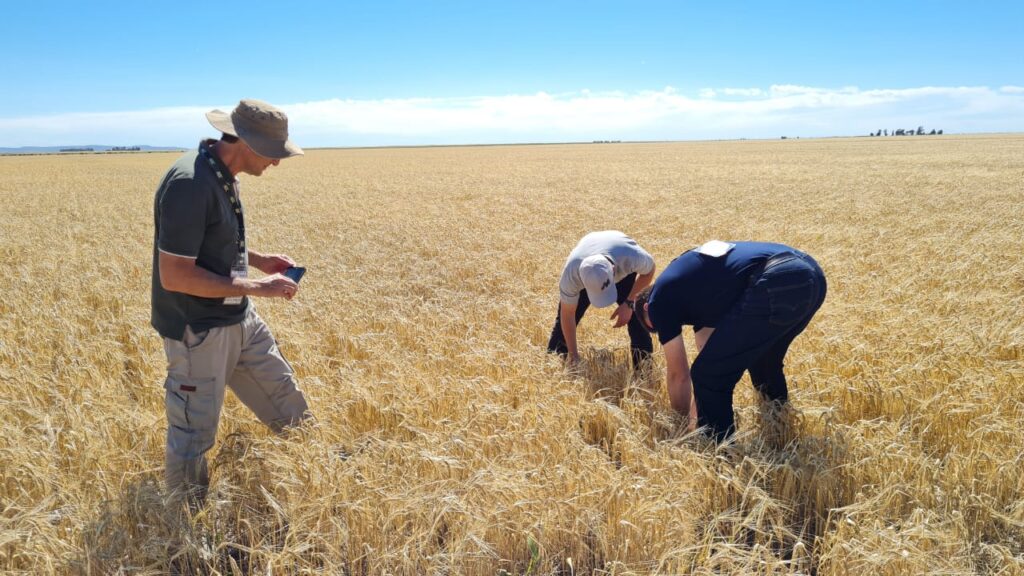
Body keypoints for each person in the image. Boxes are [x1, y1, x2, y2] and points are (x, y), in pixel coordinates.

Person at [151, 99, 312, 503]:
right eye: (274, 154)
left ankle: (318, 473)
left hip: (239, 318)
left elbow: (212, 241)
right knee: (193, 434)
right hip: (200, 331)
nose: (276, 163)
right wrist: (259, 287)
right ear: (247, 143)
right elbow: (176, 275)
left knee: (286, 399)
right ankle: (184, 532)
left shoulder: (222, 172)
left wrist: (260, 260)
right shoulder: (190, 183)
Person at [632, 241, 826, 441]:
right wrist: (695, 419)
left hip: (777, 280)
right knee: (763, 362)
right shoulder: (692, 291)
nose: (666, 326)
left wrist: (681, 429)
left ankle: (718, 456)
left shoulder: (658, 301)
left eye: (658, 326)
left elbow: (678, 374)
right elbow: (710, 351)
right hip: (811, 276)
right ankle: (782, 433)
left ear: (647, 307)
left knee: (709, 376)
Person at [547, 231, 656, 369]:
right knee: (561, 328)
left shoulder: (630, 256)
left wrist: (629, 303)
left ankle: (643, 369)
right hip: (590, 259)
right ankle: (555, 364)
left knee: (637, 315)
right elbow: (567, 314)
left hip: (620, 261)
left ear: (613, 269)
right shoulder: (571, 276)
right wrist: (573, 354)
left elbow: (650, 270)